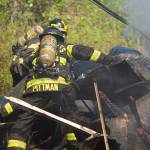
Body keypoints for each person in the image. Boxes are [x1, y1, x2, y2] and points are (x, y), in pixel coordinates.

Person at [6, 18, 114, 150]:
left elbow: (21, 66)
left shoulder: (35, 51)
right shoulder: (67, 48)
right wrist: (109, 60)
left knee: (23, 121)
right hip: (62, 90)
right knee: (69, 118)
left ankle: (15, 146)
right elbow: (89, 53)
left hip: (36, 90)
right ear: (62, 35)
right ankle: (72, 144)